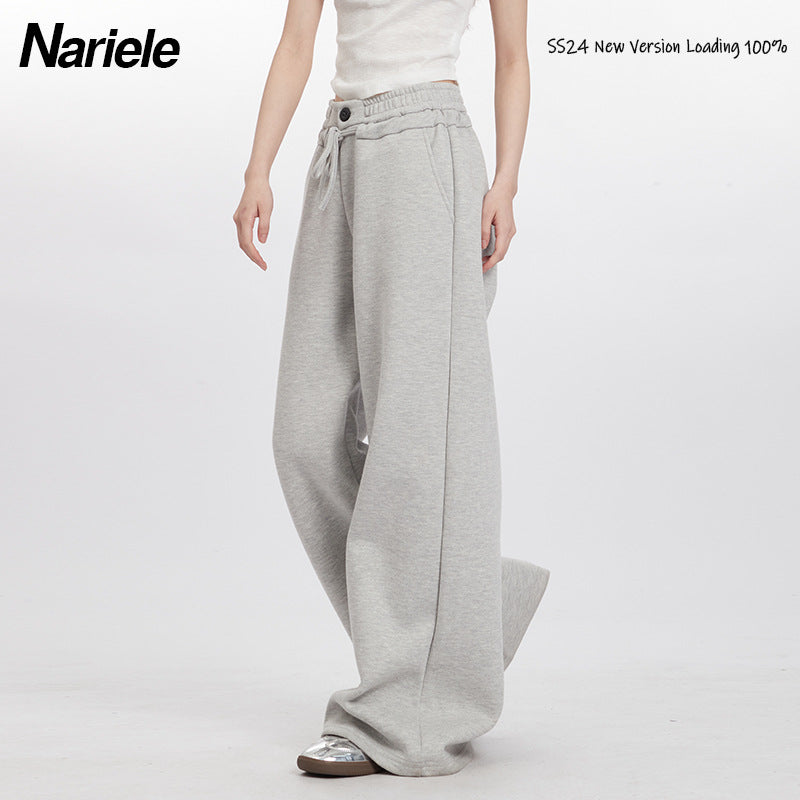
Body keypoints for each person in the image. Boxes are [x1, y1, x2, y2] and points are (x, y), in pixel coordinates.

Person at [232, 0, 550, 779]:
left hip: (425, 146)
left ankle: (405, 712)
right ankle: (470, 615)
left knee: (417, 438)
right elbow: (297, 43)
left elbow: (514, 55)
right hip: (339, 151)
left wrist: (506, 181)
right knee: (304, 435)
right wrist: (257, 169)